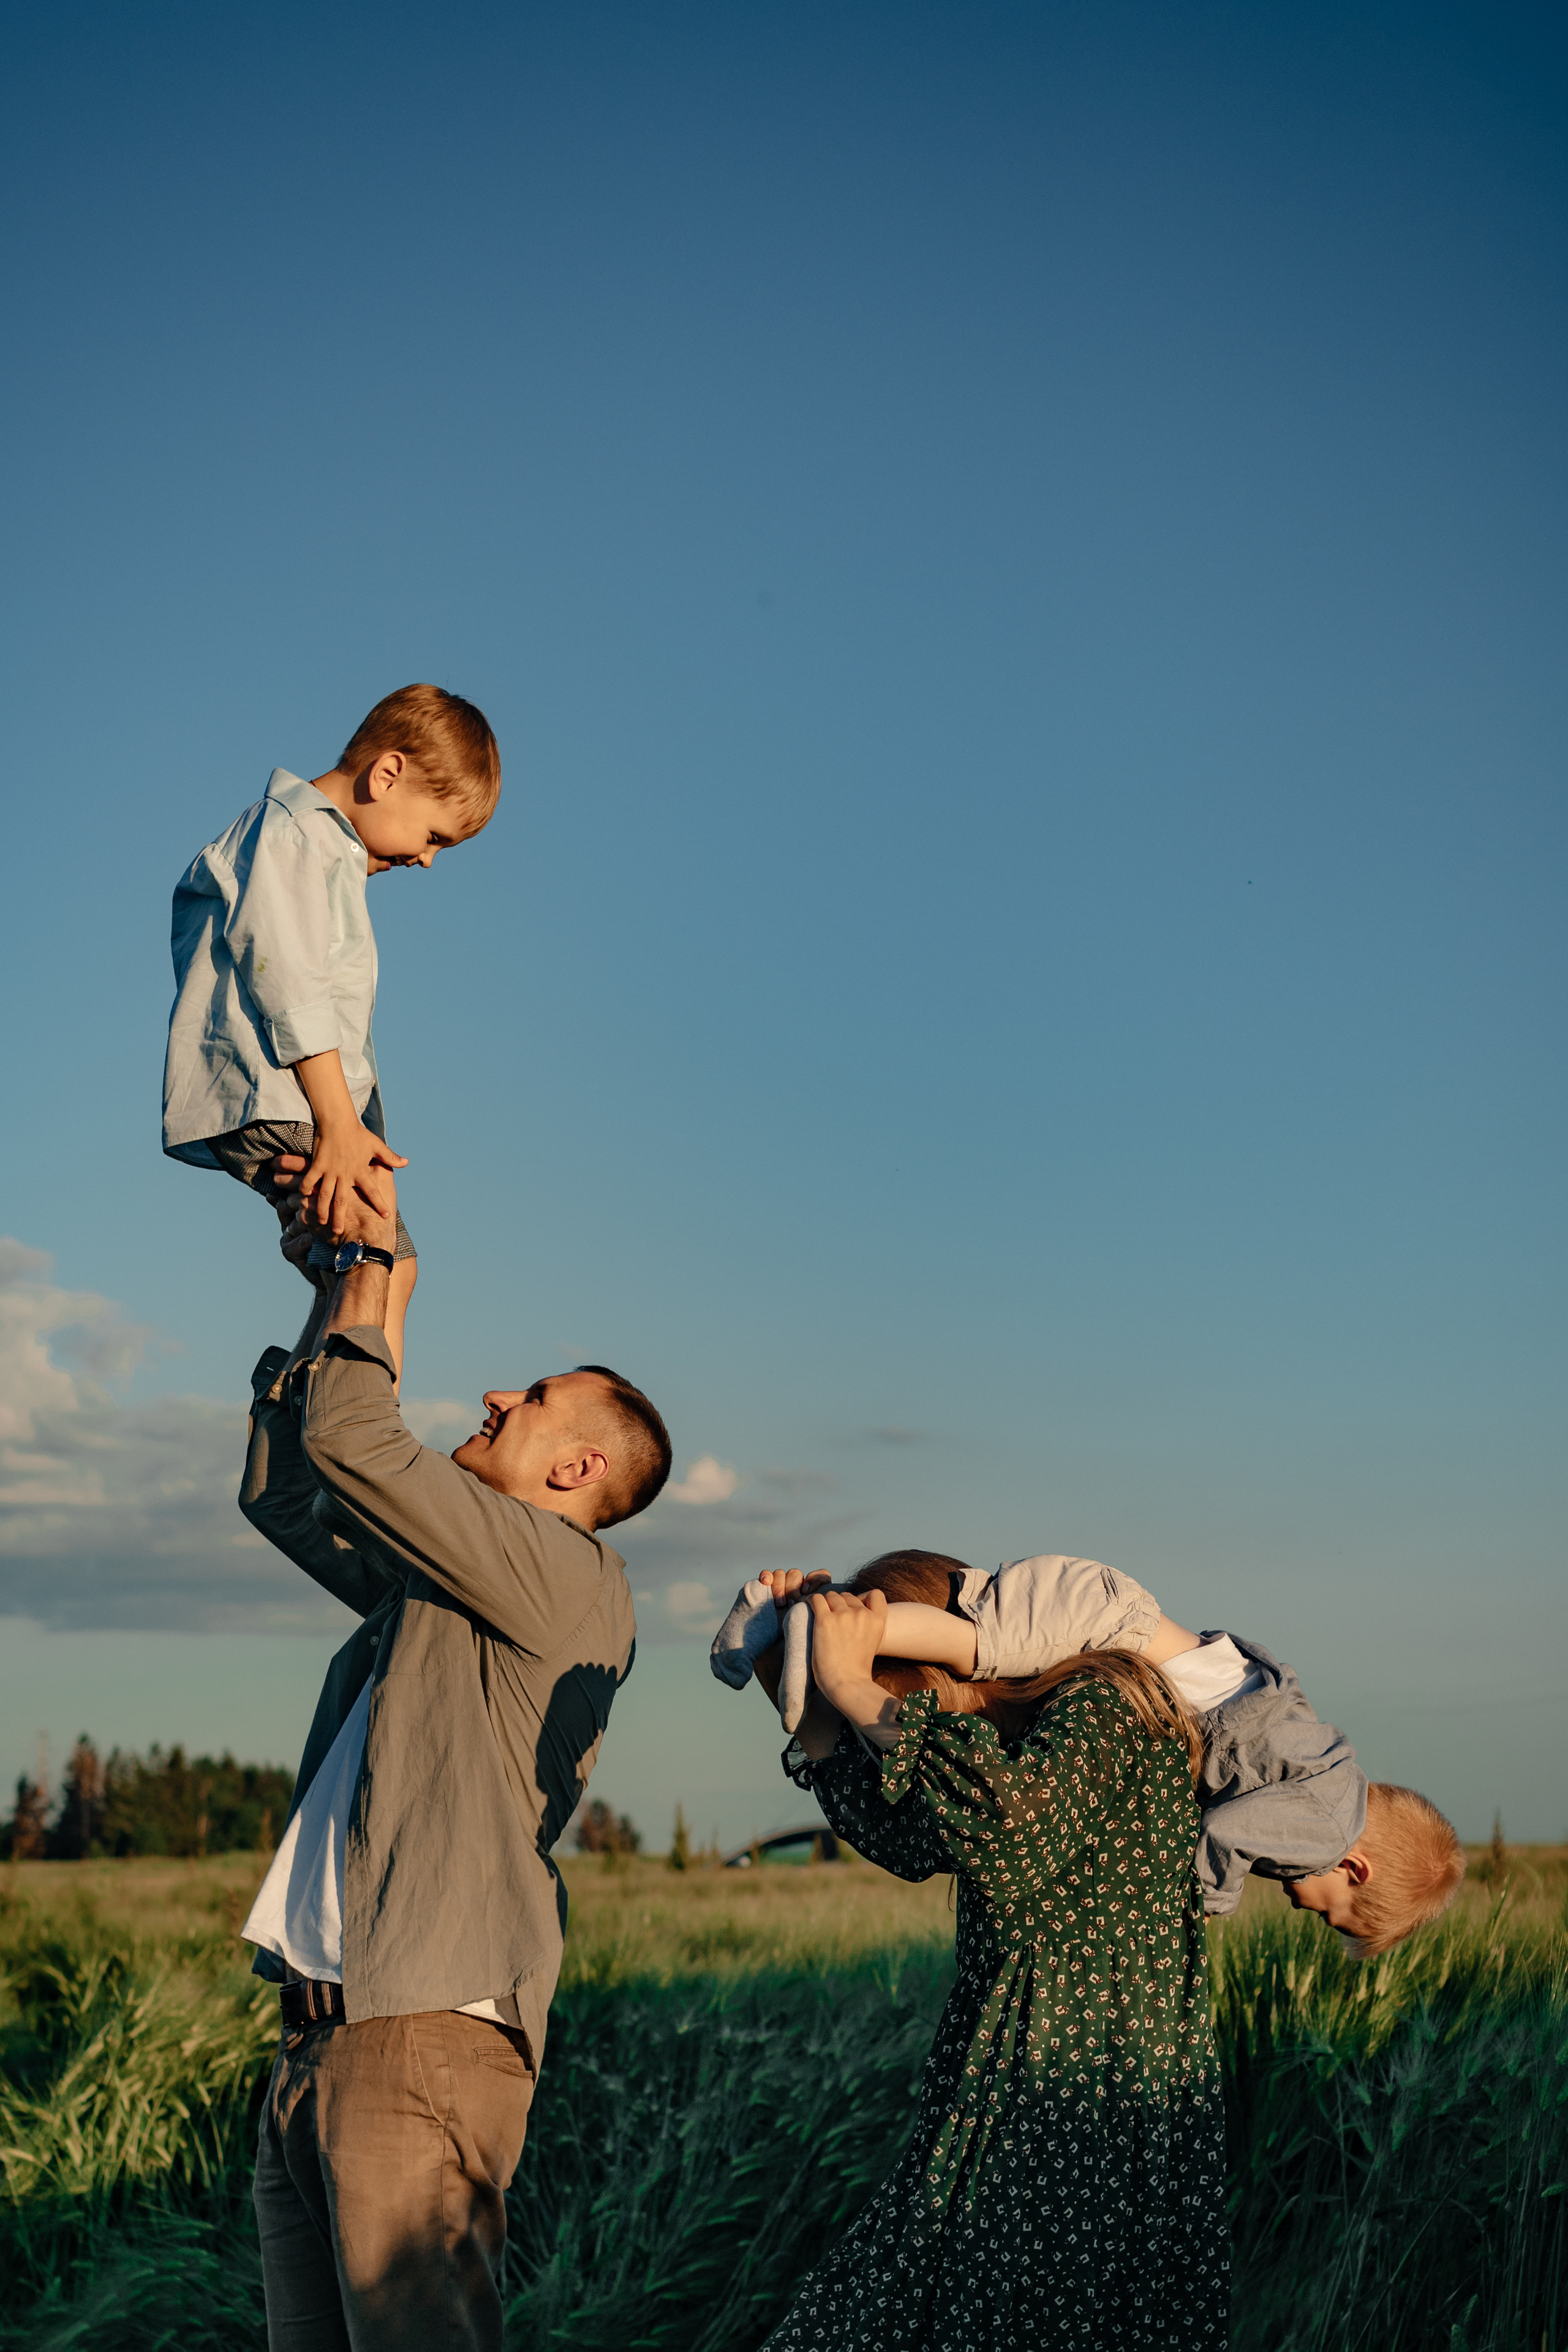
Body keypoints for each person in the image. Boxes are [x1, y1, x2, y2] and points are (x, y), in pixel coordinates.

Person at [236, 1186, 671, 2351]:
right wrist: (340, 1290)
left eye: (528, 1400)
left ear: (578, 1469)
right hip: (320, 2039)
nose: (492, 1395)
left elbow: (354, 1442)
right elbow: (289, 1493)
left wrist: (389, 1281)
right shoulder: (444, 1590)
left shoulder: (566, 1580)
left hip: (419, 2036)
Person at [754, 1583, 1229, 2350]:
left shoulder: (1109, 1700)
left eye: (906, 1703)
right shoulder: (1025, 1745)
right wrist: (810, 1704)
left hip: (1084, 2104)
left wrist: (851, 1682)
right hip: (1007, 2095)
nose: (909, 1730)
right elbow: (915, 1841)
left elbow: (1010, 1825)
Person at [718, 1550, 1464, 1955]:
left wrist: (830, 1682)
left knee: (972, 1642)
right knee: (975, 1642)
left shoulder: (1102, 1720)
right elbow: (1224, 1840)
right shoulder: (1324, 1822)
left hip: (1106, 1616)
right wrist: (1201, 1906)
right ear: (1355, 1866)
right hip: (1111, 1615)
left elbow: (946, 1830)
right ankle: (818, 1623)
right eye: (1333, 1916)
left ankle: (811, 1627)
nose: (1308, 1911)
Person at [162, 682, 501, 1378]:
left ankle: (297, 1462)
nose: (428, 859)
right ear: (387, 775)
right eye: (434, 835)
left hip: (306, 1108)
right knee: (385, 1271)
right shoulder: (290, 834)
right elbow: (286, 983)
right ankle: (355, 1458)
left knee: (351, 1279)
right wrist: (341, 1128)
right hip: (292, 1104)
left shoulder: (314, 848)